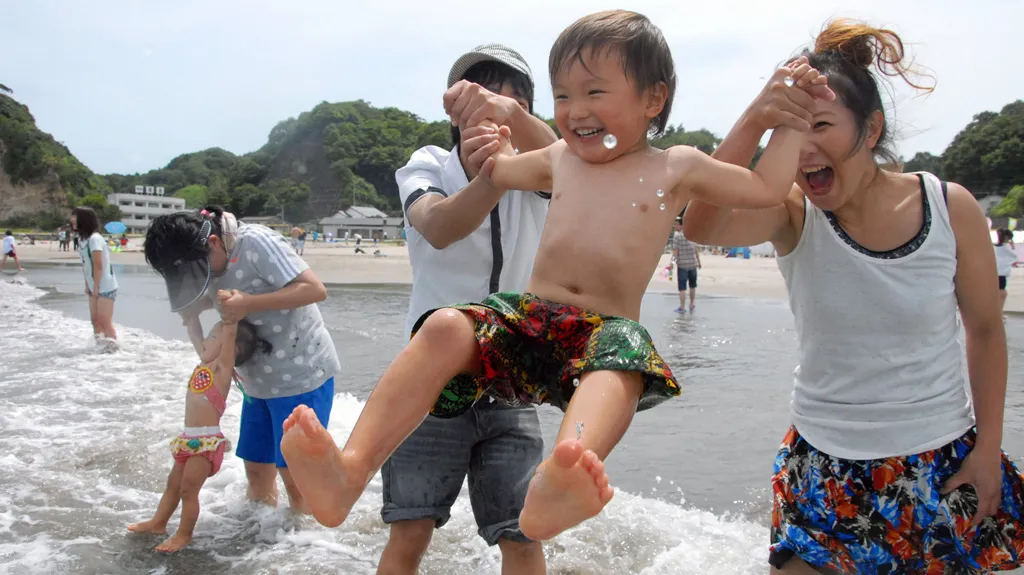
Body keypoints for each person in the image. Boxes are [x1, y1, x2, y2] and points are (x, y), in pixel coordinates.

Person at [279, 9, 816, 541]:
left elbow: (766, 188)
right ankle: (347, 472)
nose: (575, 110)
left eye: (594, 92)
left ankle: (558, 480)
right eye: (563, 96)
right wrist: (490, 135)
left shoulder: (677, 165)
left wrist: (789, 121)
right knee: (443, 325)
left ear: (653, 98)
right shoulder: (561, 158)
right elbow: (502, 168)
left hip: (602, 331)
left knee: (620, 368)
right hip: (531, 320)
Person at [684, 19, 1024, 574]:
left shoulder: (949, 207)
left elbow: (985, 331)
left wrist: (989, 450)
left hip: (937, 463)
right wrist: (755, 118)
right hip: (820, 463)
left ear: (871, 130)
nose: (806, 147)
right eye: (791, 131)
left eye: (821, 124)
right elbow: (700, 220)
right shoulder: (793, 212)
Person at [379, 43, 557, 575]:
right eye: (479, 100)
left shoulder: (540, 173)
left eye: (510, 104)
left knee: (523, 536)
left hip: (510, 384)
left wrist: (511, 125)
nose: (493, 116)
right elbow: (438, 227)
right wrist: (489, 178)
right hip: (431, 384)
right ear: (454, 114)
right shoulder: (427, 165)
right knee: (410, 532)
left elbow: (569, 160)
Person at [143, 206, 340, 513]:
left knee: (296, 476)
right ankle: (258, 539)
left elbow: (315, 289)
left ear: (212, 244)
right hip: (256, 380)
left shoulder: (257, 243)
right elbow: (213, 297)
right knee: (257, 468)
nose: (196, 278)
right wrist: (198, 311)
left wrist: (249, 303)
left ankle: (304, 544)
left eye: (199, 269)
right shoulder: (199, 257)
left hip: (300, 372)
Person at [128, 302, 271, 552]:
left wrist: (230, 321)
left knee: (188, 490)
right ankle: (158, 523)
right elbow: (195, 335)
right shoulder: (203, 363)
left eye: (213, 337)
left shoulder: (221, 369)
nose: (206, 341)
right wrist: (191, 318)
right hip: (187, 440)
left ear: (230, 347)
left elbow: (228, 337)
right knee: (173, 485)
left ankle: (184, 535)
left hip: (205, 443)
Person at [71, 207, 118, 340]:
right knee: (95, 321)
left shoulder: (95, 238)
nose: (72, 219)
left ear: (84, 220)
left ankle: (115, 352)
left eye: (75, 216)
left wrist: (96, 287)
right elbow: (85, 264)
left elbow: (98, 265)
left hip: (105, 286)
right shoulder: (82, 240)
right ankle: (99, 350)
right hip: (94, 286)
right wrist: (88, 285)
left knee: (105, 322)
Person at [671, 217, 701, 313]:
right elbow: (696, 249)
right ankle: (692, 304)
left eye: (676, 224)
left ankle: (682, 307)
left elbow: (675, 251)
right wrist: (699, 261)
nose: (675, 226)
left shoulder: (677, 236)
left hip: (682, 265)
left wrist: (671, 263)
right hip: (693, 264)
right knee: (692, 286)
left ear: (681, 225)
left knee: (682, 288)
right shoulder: (692, 233)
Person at [995, 228, 1018, 311]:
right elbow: (1014, 257)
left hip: (995, 273)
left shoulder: (995, 247)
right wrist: (1012, 246)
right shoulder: (1006, 247)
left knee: (998, 293)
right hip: (1001, 274)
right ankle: (999, 313)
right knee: (1002, 293)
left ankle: (998, 313)